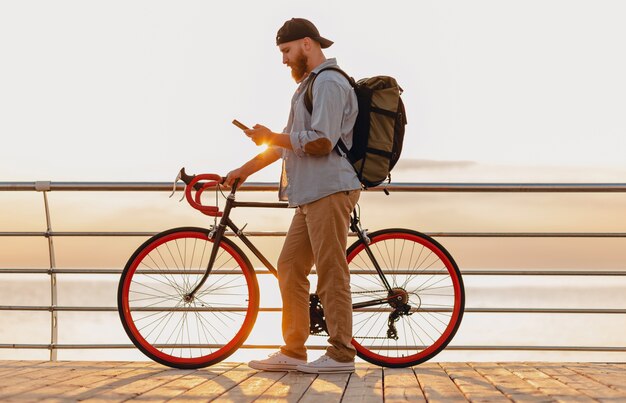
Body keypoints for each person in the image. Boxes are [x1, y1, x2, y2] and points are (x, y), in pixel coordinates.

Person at [224, 18, 361, 374]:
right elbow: (286, 142)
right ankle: (294, 350)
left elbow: (320, 141)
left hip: (330, 188)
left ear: (306, 44)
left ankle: (341, 354)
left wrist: (275, 136)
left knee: (331, 271)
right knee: (290, 267)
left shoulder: (329, 83)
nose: (284, 60)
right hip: (310, 193)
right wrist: (244, 170)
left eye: (286, 51)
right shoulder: (307, 87)